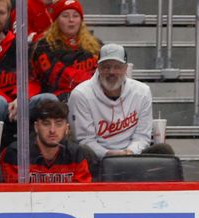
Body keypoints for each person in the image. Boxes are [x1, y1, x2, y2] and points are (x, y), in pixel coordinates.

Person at [68, 43, 174, 177]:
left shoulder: (142, 92)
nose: (111, 72)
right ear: (98, 68)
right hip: (98, 160)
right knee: (83, 151)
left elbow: (142, 137)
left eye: (117, 67)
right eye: (106, 67)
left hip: (134, 158)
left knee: (164, 151)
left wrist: (129, 153)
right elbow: (85, 141)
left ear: (125, 68)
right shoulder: (81, 94)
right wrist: (108, 154)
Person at [0, 0, 57, 142]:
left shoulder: (21, 45)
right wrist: (8, 102)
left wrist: (21, 99)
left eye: (2, 13)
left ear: (9, 15)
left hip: (19, 103)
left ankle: (40, 146)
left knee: (50, 99)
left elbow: (33, 79)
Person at [0, 98, 90, 182]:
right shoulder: (16, 153)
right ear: (36, 127)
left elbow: (82, 195)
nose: (52, 130)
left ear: (67, 128)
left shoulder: (75, 154)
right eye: (46, 124)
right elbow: (13, 195)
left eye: (58, 124)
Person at [31, 0, 101, 101]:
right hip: (58, 97)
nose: (71, 20)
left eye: (75, 15)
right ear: (56, 20)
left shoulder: (95, 44)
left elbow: (104, 69)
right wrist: (91, 81)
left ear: (81, 21)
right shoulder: (44, 46)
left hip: (91, 92)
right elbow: (57, 75)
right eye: (65, 16)